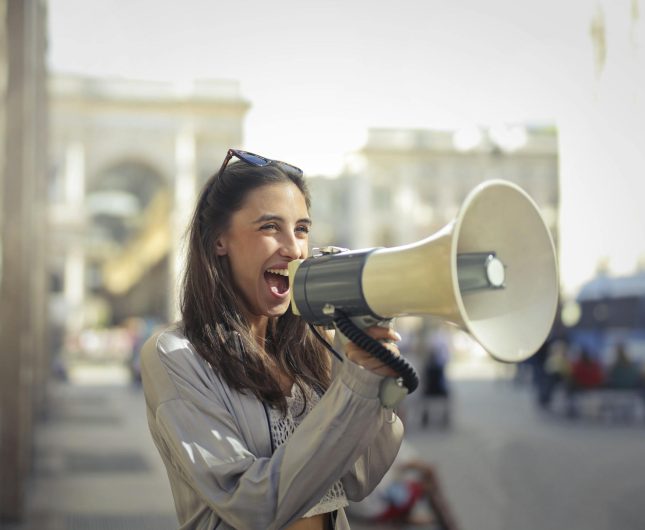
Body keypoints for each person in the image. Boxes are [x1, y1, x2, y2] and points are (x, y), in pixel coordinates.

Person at [140, 149, 404, 530]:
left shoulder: (315, 345)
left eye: (301, 229)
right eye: (269, 227)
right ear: (218, 241)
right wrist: (352, 388)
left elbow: (357, 478)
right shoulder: (175, 355)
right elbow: (251, 506)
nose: (294, 248)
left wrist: (371, 382)